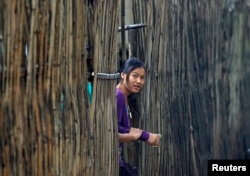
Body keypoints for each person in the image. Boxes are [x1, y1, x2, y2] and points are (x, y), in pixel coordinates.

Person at [116, 57, 161, 176]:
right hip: (112, 162)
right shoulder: (118, 96)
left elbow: (118, 127)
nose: (139, 81)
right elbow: (111, 131)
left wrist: (143, 135)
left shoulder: (123, 97)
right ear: (123, 75)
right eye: (134, 76)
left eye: (142, 78)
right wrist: (143, 136)